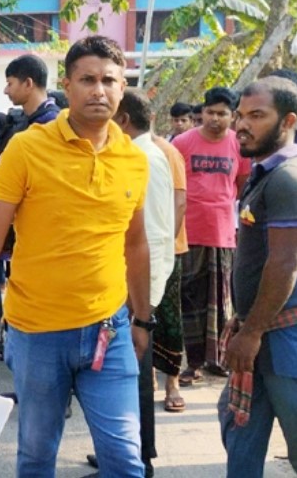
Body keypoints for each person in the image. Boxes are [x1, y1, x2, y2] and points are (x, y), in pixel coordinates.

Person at [0, 35, 151, 476]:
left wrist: (142, 318)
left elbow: (135, 243)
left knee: (125, 461)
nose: (99, 90)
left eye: (109, 80)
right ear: (67, 85)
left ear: (122, 87)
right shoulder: (27, 148)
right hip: (38, 333)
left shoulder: (133, 158)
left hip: (107, 331)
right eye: (88, 79)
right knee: (37, 457)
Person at [93, 87, 176, 477]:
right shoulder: (139, 154)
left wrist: (142, 299)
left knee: (135, 375)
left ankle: (138, 461)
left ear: (122, 119)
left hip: (138, 288)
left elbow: (155, 234)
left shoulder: (143, 157)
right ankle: (124, 455)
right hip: (128, 285)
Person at [219, 76, 297, 477]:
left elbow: (285, 264)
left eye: (257, 116)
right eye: (240, 115)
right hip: (257, 334)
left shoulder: (286, 178)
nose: (242, 125)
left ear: (288, 121)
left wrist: (250, 334)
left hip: (281, 340)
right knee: (238, 429)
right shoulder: (262, 171)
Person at [173, 87, 251, 385]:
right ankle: (191, 362)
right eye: (210, 112)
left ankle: (217, 360)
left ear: (232, 117)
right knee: (190, 298)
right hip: (188, 231)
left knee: (221, 300)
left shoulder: (239, 145)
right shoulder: (182, 143)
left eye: (222, 114)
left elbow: (241, 186)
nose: (215, 119)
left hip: (223, 233)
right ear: (201, 113)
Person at [152, 130, 190, 412]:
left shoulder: (167, 151)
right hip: (129, 248)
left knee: (168, 315)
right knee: (138, 315)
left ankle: (172, 383)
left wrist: (166, 250)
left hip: (168, 249)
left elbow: (179, 202)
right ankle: (148, 373)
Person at [0, 54, 62, 152]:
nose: (5, 91)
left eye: (10, 84)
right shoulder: (20, 119)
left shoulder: (52, 124)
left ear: (28, 84)